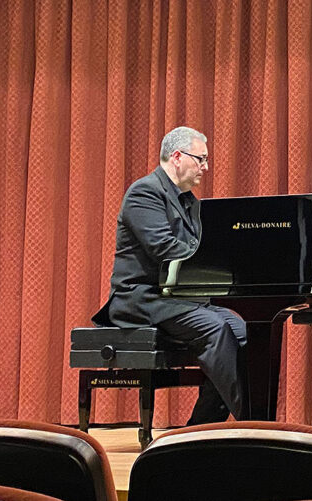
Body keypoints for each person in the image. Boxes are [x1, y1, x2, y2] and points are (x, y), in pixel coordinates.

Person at [92, 126, 246, 424]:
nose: (206, 167)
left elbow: (195, 247)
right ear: (177, 156)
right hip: (142, 297)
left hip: (176, 298)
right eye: (200, 159)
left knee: (241, 330)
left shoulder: (189, 201)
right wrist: (211, 261)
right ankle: (252, 420)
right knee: (216, 328)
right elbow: (162, 248)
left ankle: (201, 426)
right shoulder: (145, 192)